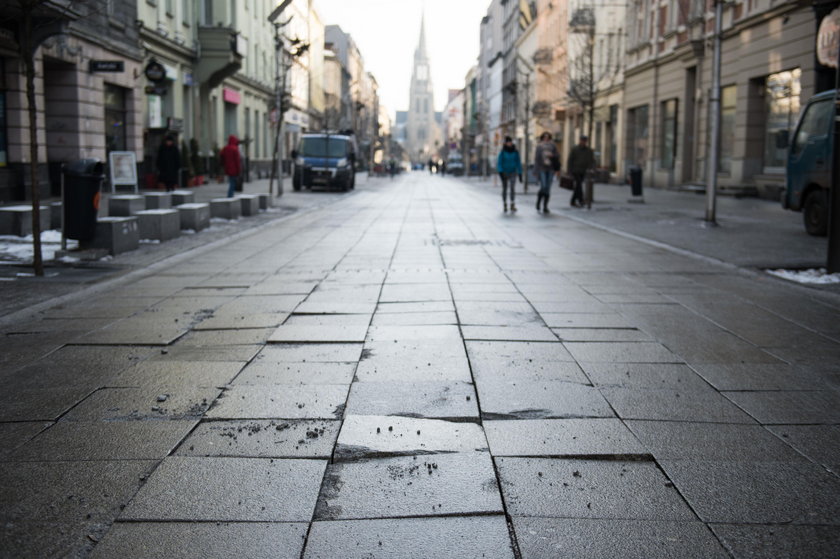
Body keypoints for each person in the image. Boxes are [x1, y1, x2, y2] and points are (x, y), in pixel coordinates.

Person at [534, 131, 560, 213]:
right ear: (542, 138)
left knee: (548, 188)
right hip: (542, 168)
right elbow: (537, 159)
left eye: (547, 137)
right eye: (544, 137)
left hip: (550, 168)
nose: (546, 138)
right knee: (543, 186)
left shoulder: (553, 146)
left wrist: (552, 155)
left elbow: (558, 156)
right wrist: (535, 170)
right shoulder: (539, 146)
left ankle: (545, 206)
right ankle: (538, 202)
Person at [567, 135, 595, 208]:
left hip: (584, 171)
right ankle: (581, 200)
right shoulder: (575, 149)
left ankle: (573, 201)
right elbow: (570, 160)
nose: (583, 142)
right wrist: (569, 171)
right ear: (579, 140)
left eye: (585, 141)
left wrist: (591, 168)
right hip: (575, 170)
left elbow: (591, 161)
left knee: (578, 186)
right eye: (582, 140)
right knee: (579, 185)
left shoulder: (589, 150)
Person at [496, 136, 522, 213]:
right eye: (508, 142)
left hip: (513, 172)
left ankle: (512, 204)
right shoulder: (502, 152)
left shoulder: (515, 152)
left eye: (510, 142)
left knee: (512, 188)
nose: (509, 143)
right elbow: (499, 163)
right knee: (505, 188)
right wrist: (500, 171)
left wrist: (520, 173)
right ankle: (504, 204)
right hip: (504, 172)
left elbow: (518, 163)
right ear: (506, 143)